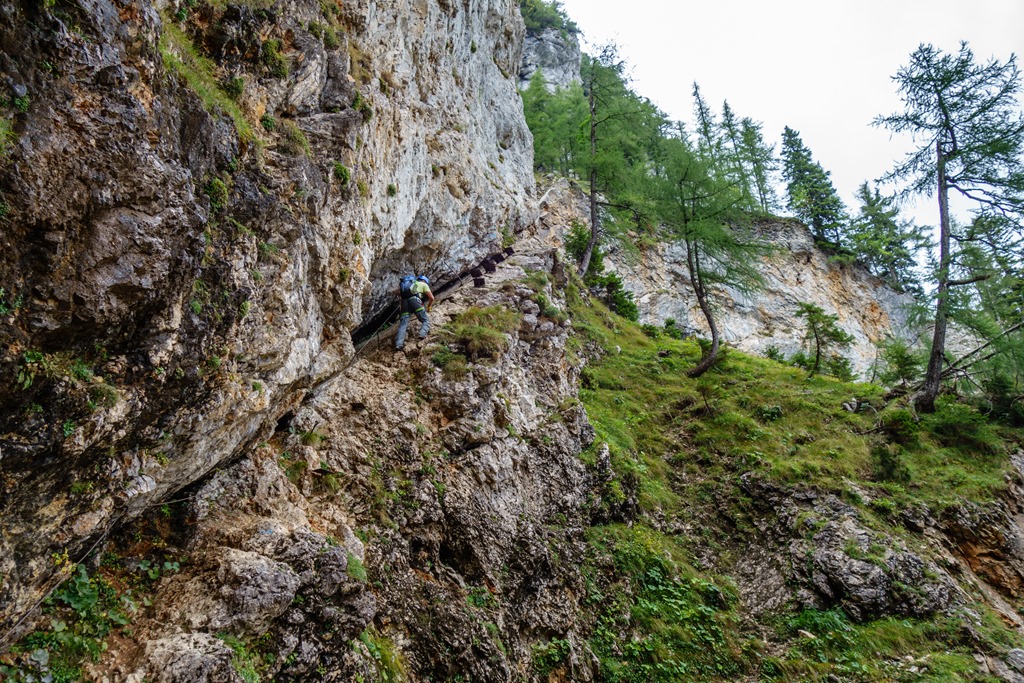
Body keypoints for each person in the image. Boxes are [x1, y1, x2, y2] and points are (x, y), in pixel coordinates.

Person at [396, 275, 434, 351]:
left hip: (404, 303)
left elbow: (399, 295)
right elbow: (431, 298)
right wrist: (429, 306)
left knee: (403, 325)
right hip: (415, 301)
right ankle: (422, 334)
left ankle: (398, 344)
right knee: (425, 320)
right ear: (424, 281)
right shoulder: (423, 284)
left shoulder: (409, 285)